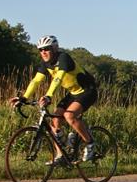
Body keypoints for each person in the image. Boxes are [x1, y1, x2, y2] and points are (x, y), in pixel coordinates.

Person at [9, 35, 98, 164]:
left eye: (46, 48)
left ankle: (90, 144)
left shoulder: (63, 58)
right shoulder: (46, 64)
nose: (43, 52)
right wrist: (23, 98)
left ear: (55, 48)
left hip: (88, 91)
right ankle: (61, 155)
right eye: (40, 50)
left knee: (69, 115)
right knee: (55, 120)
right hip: (73, 93)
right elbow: (36, 80)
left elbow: (58, 78)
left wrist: (48, 96)